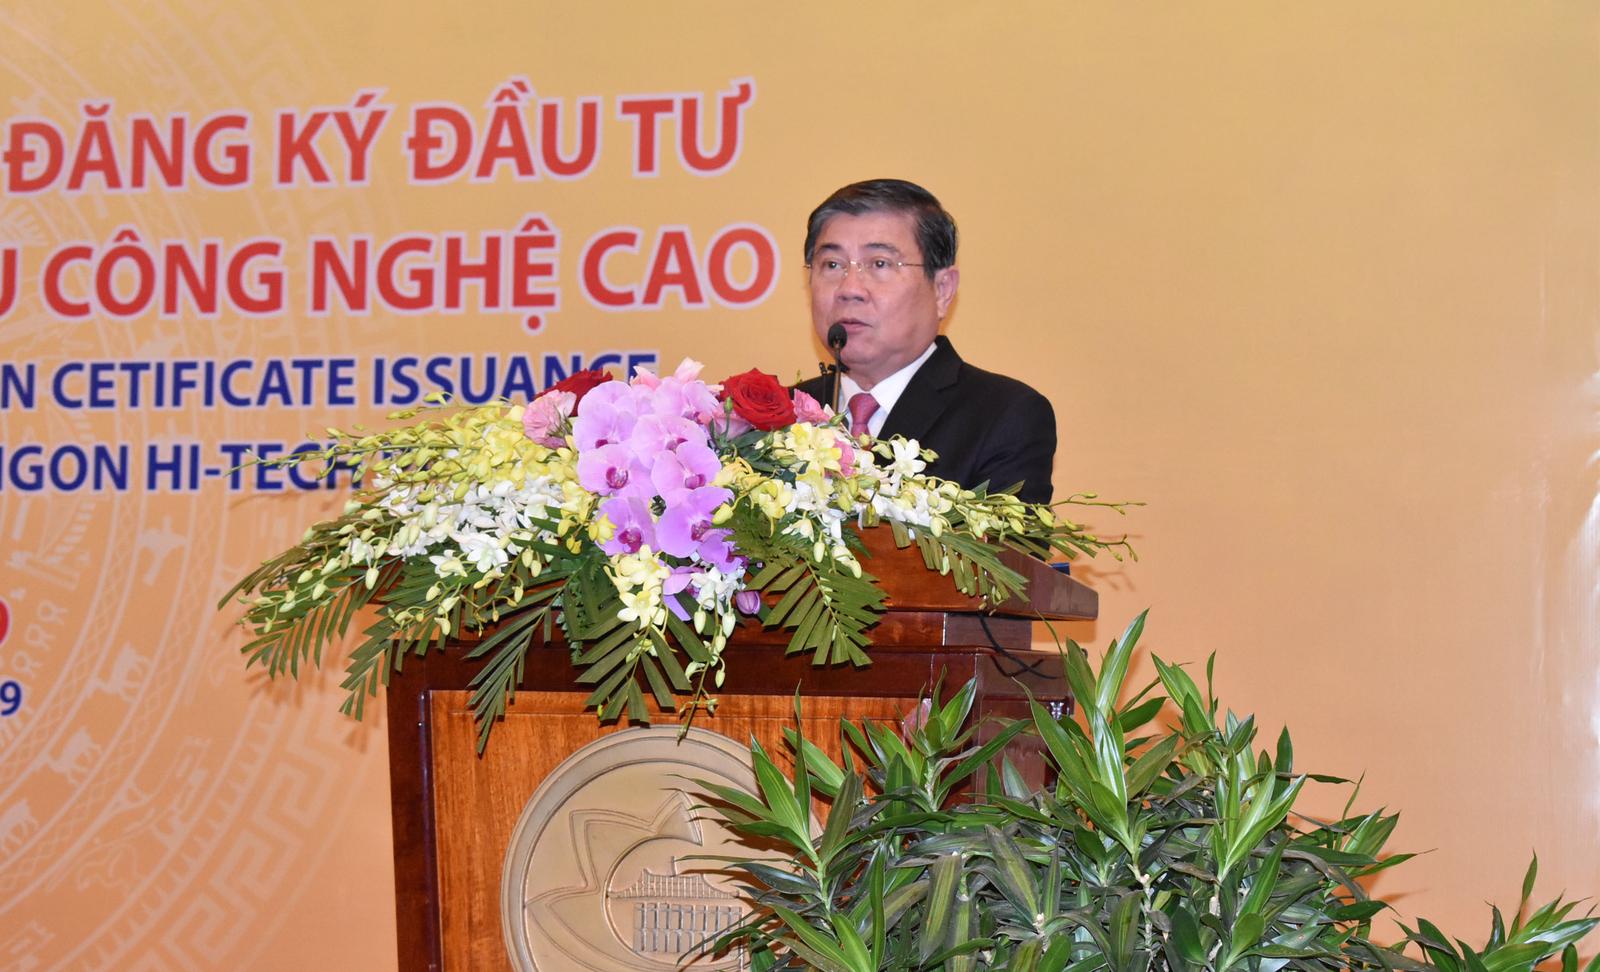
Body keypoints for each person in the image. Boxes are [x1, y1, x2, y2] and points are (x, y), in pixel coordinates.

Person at [794, 179, 1057, 503]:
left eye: (879, 264)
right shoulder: (776, 417)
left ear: (942, 290)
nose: (850, 289)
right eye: (832, 265)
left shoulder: (1003, 417)